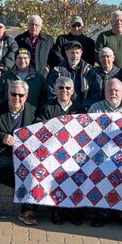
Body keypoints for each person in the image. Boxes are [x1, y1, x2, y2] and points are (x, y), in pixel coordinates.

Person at [0, 81, 39, 224]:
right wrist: (1, 137)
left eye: (21, 95)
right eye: (13, 94)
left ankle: (26, 211)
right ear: (8, 94)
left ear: (26, 96)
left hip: (22, 157)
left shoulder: (33, 111)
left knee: (35, 169)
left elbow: (39, 135)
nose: (17, 98)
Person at [88, 78, 122, 228]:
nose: (113, 93)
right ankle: (103, 213)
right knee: (100, 171)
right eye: (110, 90)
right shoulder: (95, 108)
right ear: (105, 92)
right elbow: (89, 133)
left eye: (116, 90)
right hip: (100, 152)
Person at [37, 76, 88, 225]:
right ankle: (57, 211)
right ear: (55, 90)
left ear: (72, 91)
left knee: (80, 173)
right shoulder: (47, 108)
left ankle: (76, 211)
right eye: (61, 88)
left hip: (75, 152)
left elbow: (85, 133)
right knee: (55, 175)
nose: (64, 91)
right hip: (54, 152)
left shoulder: (80, 109)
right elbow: (41, 130)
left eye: (67, 88)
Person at [48, 41, 95, 106]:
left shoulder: (89, 70)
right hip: (63, 110)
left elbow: (95, 93)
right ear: (66, 53)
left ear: (81, 53)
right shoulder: (57, 71)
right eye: (72, 53)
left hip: (84, 110)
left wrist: (85, 107)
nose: (75, 56)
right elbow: (52, 93)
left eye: (77, 53)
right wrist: (62, 106)